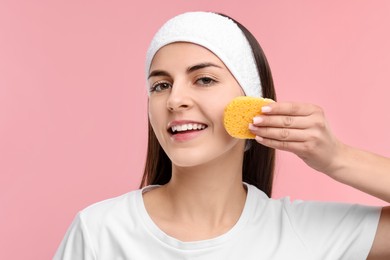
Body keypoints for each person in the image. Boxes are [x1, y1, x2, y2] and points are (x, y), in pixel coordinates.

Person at [54, 12, 390, 259]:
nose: (174, 100)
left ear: (251, 103)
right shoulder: (99, 232)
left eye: (203, 79)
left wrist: (337, 159)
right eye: (160, 85)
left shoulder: (303, 233)